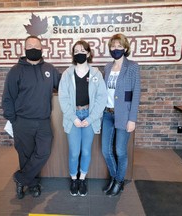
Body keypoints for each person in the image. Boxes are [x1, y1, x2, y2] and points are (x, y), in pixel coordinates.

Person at [2, 35, 61, 199]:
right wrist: (13, 120)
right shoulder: (15, 71)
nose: (33, 49)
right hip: (22, 122)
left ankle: (21, 178)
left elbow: (64, 85)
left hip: (43, 121)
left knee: (43, 151)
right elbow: (8, 97)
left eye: (36, 46)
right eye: (30, 46)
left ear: (42, 49)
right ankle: (32, 185)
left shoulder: (49, 69)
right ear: (25, 49)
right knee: (25, 155)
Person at [58, 40, 107, 196]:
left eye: (82, 50)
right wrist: (73, 118)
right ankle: (74, 179)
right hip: (73, 117)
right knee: (74, 152)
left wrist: (91, 118)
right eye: (76, 50)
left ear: (88, 53)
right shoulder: (67, 74)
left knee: (86, 151)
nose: (79, 52)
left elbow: (102, 98)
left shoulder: (96, 74)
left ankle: (82, 178)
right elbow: (63, 98)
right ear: (73, 54)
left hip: (89, 117)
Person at [101, 33, 141, 197]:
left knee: (120, 151)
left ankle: (119, 182)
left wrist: (132, 119)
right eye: (113, 46)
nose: (115, 49)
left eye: (119, 46)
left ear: (125, 48)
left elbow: (136, 93)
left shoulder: (132, 66)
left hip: (124, 115)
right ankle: (115, 177)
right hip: (107, 114)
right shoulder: (107, 67)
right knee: (105, 150)